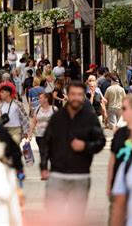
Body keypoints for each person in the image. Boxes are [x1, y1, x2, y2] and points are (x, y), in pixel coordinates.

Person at [40, 81, 106, 224]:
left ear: (84, 97)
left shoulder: (90, 117)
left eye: (79, 95)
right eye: (73, 94)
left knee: (76, 218)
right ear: (67, 96)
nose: (76, 98)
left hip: (80, 175)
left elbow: (101, 141)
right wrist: (44, 166)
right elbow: (46, 141)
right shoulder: (57, 117)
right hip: (57, 174)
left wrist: (85, 146)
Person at [107, 95, 132, 198]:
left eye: (124, 108)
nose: (121, 112)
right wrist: (110, 184)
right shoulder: (120, 133)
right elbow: (113, 159)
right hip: (119, 186)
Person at [29, 92, 57, 174]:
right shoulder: (37, 109)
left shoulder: (54, 109)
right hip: (39, 135)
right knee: (43, 153)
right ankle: (44, 171)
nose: (39, 100)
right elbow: (33, 122)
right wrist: (30, 133)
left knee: (51, 153)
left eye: (40, 98)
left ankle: (53, 170)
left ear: (46, 99)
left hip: (51, 136)